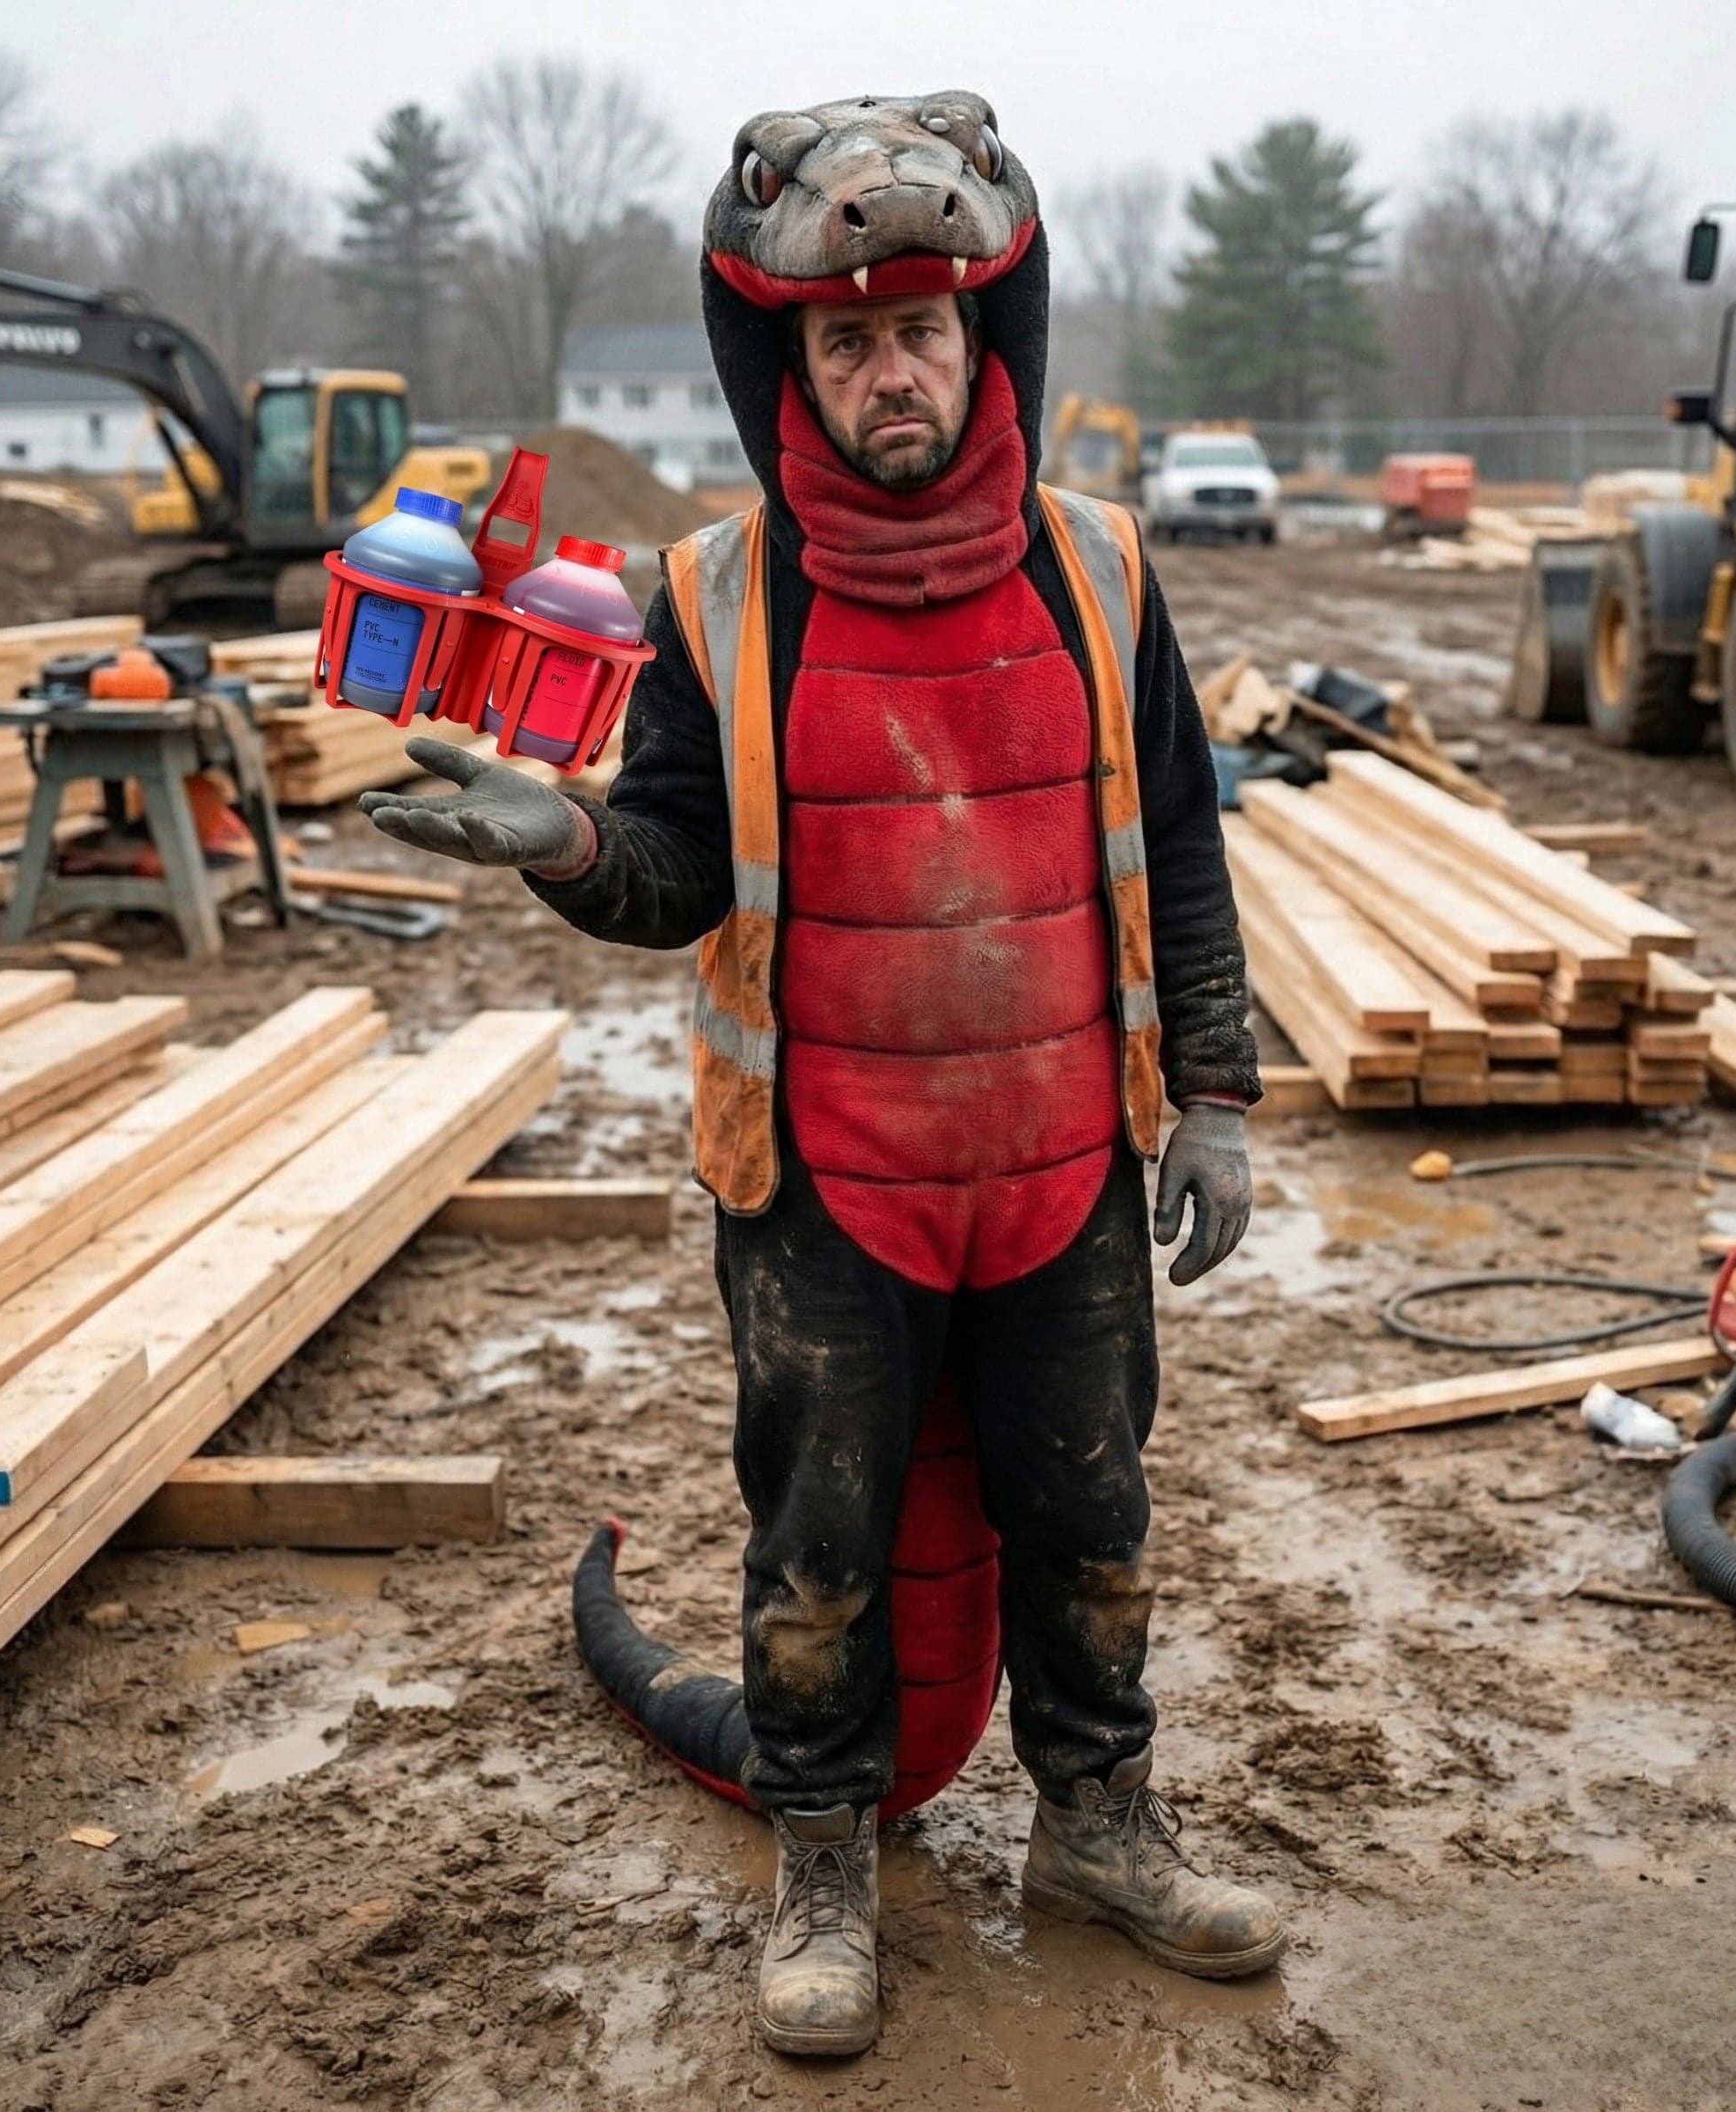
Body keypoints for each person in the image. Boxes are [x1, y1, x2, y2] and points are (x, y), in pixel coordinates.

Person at [362, 88, 1285, 2059]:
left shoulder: (1105, 571)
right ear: (788, 365)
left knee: (1093, 1516)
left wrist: (1213, 1093)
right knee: (816, 1548)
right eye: (848, 344)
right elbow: (679, 869)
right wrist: (571, 842)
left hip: (1061, 1166)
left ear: (982, 337)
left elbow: (1188, 843)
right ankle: (823, 1865)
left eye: (920, 332)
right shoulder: (718, 600)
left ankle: (1099, 1823)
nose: (890, 373)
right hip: (825, 1181)